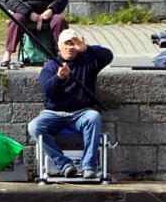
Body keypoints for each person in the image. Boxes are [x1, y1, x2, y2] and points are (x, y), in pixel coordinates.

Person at [26, 28, 114, 179]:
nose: (69, 48)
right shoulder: (51, 66)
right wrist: (58, 78)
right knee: (34, 127)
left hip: (81, 113)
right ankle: (64, 165)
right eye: (66, 44)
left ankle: (89, 167)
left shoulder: (88, 61)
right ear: (59, 46)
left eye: (73, 44)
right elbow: (47, 91)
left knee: (93, 117)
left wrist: (87, 48)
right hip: (53, 113)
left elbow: (108, 56)